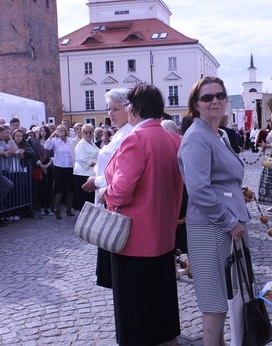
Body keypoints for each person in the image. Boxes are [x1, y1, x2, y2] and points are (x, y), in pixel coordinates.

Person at [103, 84, 183, 345]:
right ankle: (164, 334)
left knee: (135, 298)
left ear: (134, 109)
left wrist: (107, 195)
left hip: (134, 236)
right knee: (161, 291)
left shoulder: (135, 139)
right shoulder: (173, 138)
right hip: (164, 229)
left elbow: (123, 190)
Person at [178, 76, 249, 345]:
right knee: (214, 300)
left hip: (223, 224)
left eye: (219, 95)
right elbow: (199, 190)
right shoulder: (197, 137)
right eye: (207, 97)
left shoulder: (217, 134)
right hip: (211, 227)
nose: (215, 101)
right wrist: (230, 221)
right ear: (196, 104)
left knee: (223, 296)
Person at [82, 87, 133, 290]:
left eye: (115, 109)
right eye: (108, 109)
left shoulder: (130, 134)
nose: (110, 114)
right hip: (107, 202)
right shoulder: (121, 133)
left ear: (129, 109)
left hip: (115, 203)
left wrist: (96, 181)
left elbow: (122, 176)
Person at [44, 124, 74, 219]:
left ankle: (69, 210)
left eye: (62, 130)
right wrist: (52, 135)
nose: (60, 132)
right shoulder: (54, 141)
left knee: (70, 190)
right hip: (59, 167)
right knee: (58, 190)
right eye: (58, 130)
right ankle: (58, 211)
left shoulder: (70, 141)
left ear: (66, 131)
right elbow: (46, 147)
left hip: (70, 166)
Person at [73, 123, 98, 210]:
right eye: (86, 132)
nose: (88, 134)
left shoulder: (92, 144)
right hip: (83, 174)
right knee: (85, 199)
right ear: (82, 133)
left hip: (91, 173)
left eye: (90, 132)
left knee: (91, 199)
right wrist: (96, 164)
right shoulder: (81, 144)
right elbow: (82, 159)